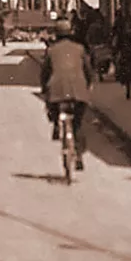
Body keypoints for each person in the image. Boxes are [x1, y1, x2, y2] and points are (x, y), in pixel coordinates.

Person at [39, 18, 94, 171]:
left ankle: (56, 125)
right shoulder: (80, 49)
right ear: (70, 33)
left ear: (56, 34)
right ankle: (79, 157)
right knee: (77, 125)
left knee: (52, 106)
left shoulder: (51, 50)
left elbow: (44, 73)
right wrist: (88, 85)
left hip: (56, 91)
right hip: (79, 91)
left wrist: (44, 88)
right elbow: (88, 71)